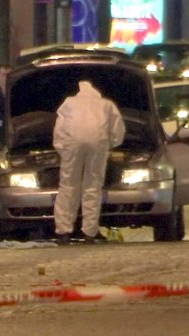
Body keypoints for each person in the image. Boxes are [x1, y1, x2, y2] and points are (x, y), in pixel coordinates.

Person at [53, 80, 126, 244]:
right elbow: (117, 129)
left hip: (72, 144)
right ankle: (90, 232)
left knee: (68, 185)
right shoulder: (106, 104)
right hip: (98, 143)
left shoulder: (69, 103)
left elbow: (60, 128)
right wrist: (110, 144)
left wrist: (62, 149)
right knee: (93, 185)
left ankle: (63, 231)